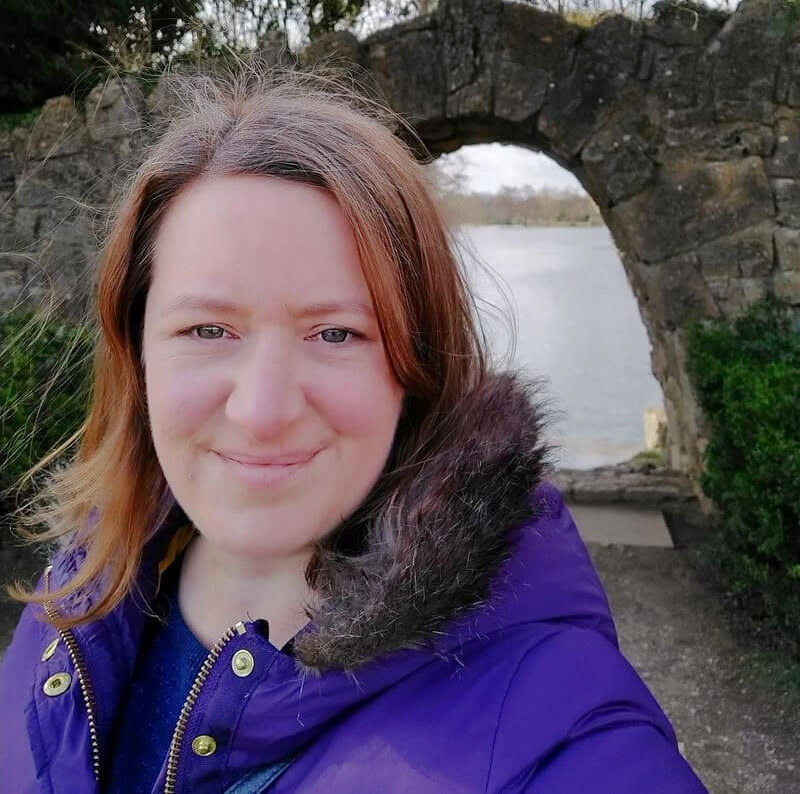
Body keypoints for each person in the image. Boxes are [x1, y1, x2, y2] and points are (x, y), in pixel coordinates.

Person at [0, 66, 707, 793]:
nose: (262, 410)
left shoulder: (553, 723)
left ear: (416, 368)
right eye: (207, 328)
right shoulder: (74, 606)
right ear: (137, 351)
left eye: (336, 333)